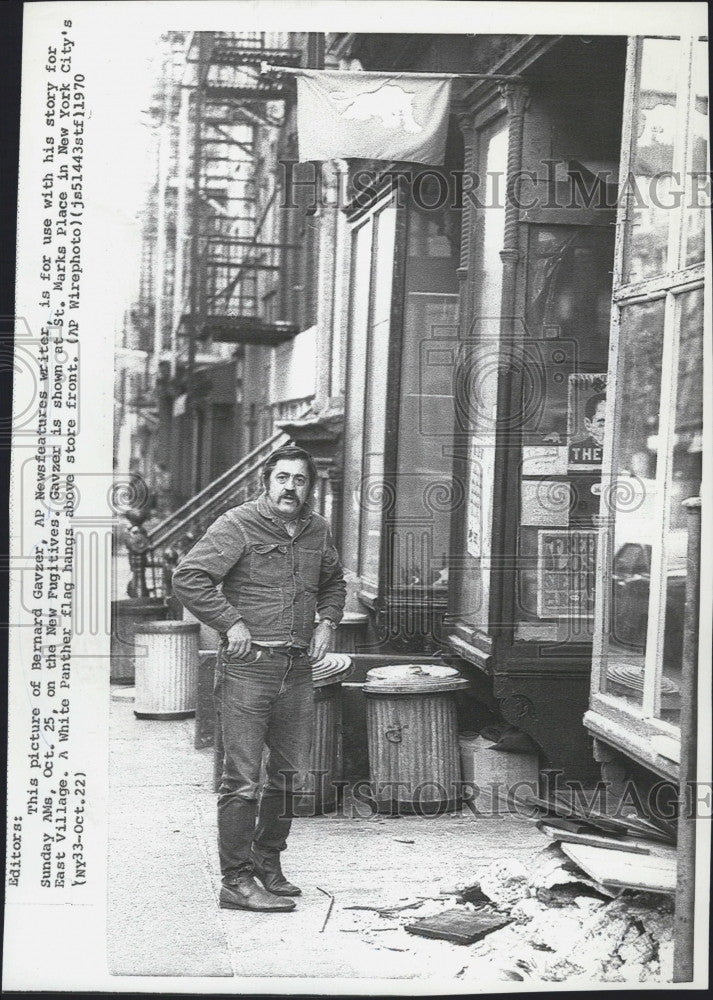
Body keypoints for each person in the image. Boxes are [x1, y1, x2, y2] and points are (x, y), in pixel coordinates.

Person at [172, 445, 346, 913]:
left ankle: (268, 863)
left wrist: (328, 620)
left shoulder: (317, 530)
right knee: (242, 780)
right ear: (266, 482)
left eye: (300, 479)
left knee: (290, 775)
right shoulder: (237, 524)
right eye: (282, 478)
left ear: (310, 486)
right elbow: (189, 577)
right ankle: (236, 881)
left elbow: (334, 581)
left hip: (297, 669)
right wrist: (231, 623)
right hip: (248, 668)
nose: (291, 487)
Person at [569, 392, 606, 467]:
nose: (608, 430)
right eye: (602, 424)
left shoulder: (630, 454)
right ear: (588, 424)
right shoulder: (573, 452)